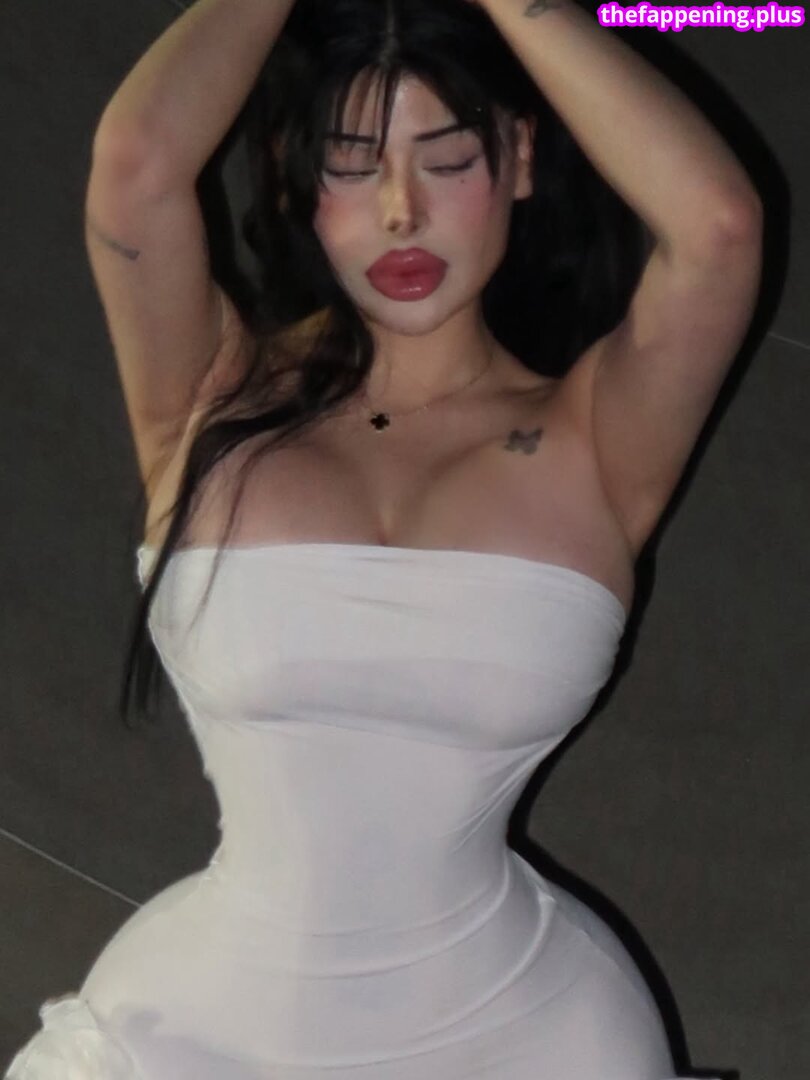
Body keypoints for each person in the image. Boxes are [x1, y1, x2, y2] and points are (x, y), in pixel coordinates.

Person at [6, 0, 761, 1076]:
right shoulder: (206, 397)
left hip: (530, 1041)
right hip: (199, 1038)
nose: (401, 210)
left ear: (522, 159)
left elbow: (718, 227)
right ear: (290, 175)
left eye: (448, 160)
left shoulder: (598, 440)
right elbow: (135, 162)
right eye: (352, 165)